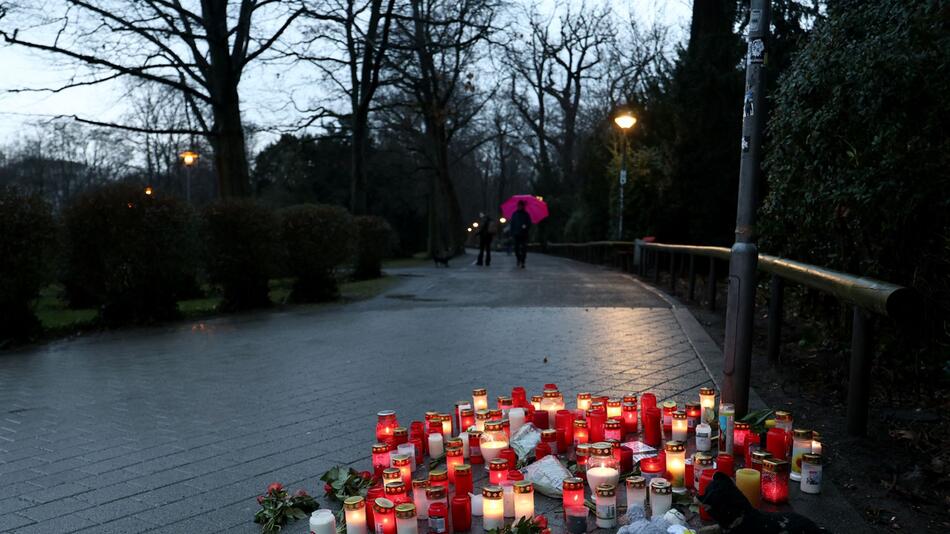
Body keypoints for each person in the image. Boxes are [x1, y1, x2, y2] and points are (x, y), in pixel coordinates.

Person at [509, 200, 532, 268]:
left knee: (524, 248)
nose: (519, 207)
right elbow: (512, 224)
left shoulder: (526, 214)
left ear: (523, 206)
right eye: (518, 206)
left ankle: (523, 261)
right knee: (516, 248)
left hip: (524, 234)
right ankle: (518, 259)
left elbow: (529, 223)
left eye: (520, 206)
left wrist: (525, 226)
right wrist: (511, 233)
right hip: (516, 234)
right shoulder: (515, 214)